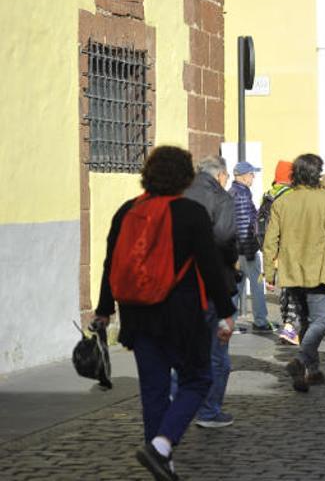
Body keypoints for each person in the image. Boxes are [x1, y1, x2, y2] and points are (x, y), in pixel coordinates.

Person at [94, 146, 235, 480]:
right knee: (198, 379)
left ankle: (161, 459)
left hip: (137, 315)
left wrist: (103, 309)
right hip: (182, 315)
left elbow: (110, 263)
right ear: (185, 177)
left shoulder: (127, 211)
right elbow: (210, 267)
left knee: (154, 391)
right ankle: (161, 446)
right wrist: (226, 313)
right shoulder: (189, 212)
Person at [263, 154, 325, 392]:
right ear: (317, 174)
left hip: (292, 270)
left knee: (306, 320)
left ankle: (313, 371)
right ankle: (300, 361)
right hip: (319, 269)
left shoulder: (282, 202)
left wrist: (269, 271)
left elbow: (271, 240)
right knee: (321, 321)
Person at [183, 155, 238, 429]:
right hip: (213, 284)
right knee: (218, 353)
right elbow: (225, 239)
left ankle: (181, 404)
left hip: (180, 285)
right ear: (220, 176)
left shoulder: (179, 193)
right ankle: (208, 410)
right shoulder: (221, 198)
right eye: (226, 178)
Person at [258, 160, 298, 345]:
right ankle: (289, 326)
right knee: (293, 288)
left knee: (285, 289)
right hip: (288, 247)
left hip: (272, 248)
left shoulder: (268, 194)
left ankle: (287, 325)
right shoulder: (290, 195)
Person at [229, 161, 271, 332]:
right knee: (257, 285)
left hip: (236, 249)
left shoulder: (234, 192)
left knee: (236, 287)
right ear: (244, 176)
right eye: (252, 174)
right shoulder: (241, 195)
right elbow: (244, 224)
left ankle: (228, 322)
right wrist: (250, 252)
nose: (253, 177)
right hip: (246, 249)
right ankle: (260, 321)